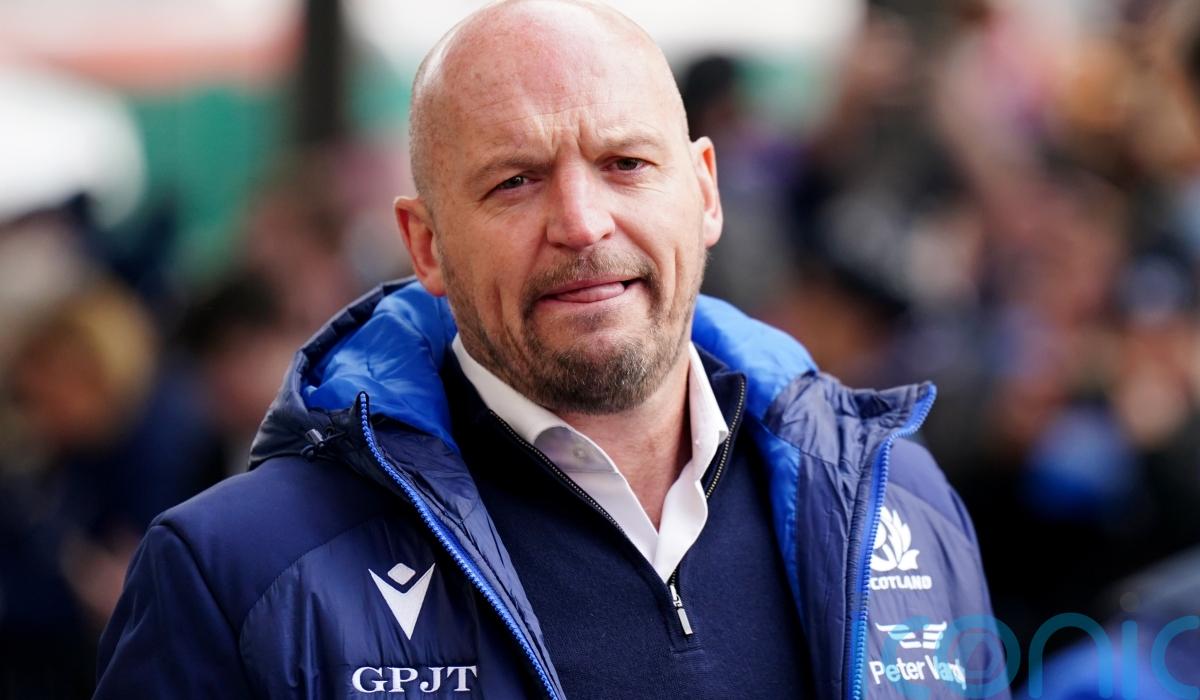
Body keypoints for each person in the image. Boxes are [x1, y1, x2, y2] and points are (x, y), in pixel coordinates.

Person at [94, 1, 1007, 697]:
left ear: (705, 193)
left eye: (625, 164)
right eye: (515, 181)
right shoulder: (238, 573)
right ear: (425, 246)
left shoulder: (899, 501)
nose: (580, 222)